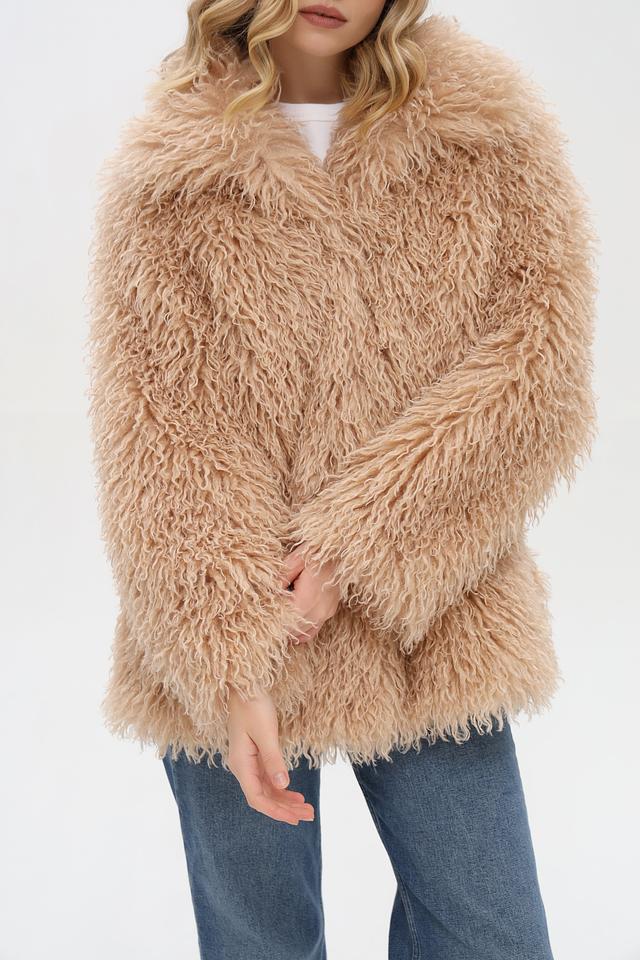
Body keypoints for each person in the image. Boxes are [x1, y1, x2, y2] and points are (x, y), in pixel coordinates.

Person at [86, 2, 598, 958]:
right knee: (259, 944)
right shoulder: (169, 170)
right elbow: (160, 434)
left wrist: (356, 546)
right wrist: (232, 662)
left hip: (437, 613)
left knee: (493, 936)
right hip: (227, 618)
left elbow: (538, 375)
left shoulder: (486, 130)